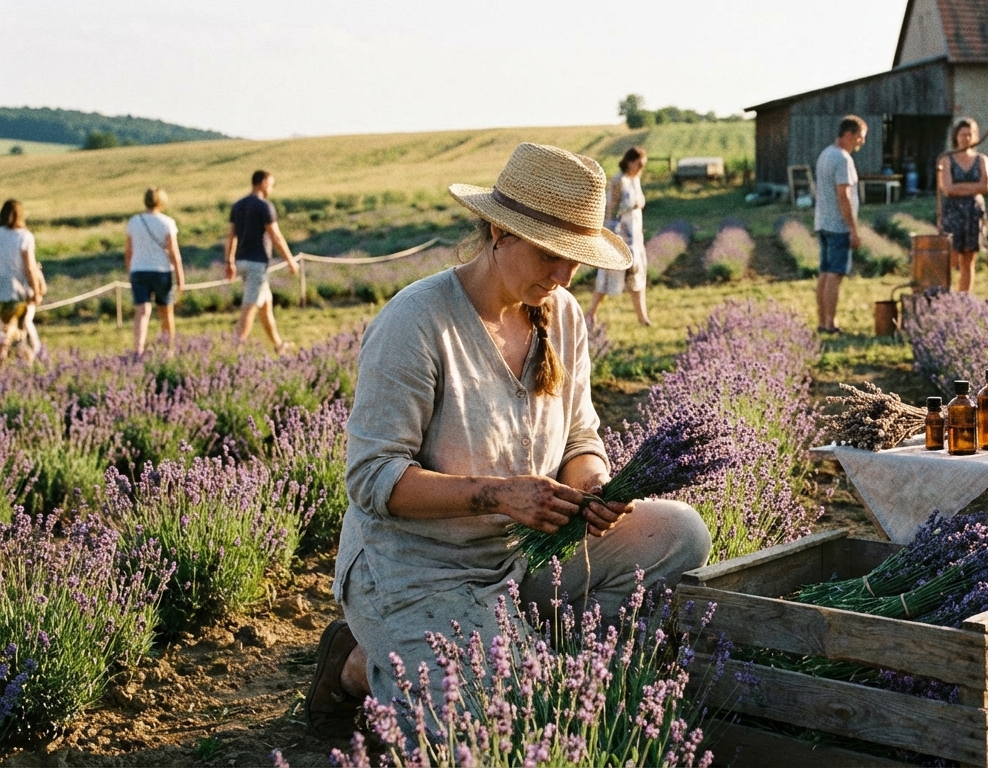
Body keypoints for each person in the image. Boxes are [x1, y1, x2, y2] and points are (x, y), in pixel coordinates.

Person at [304, 143, 711, 734]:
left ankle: (509, 646)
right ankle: (359, 666)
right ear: (500, 230)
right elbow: (373, 478)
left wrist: (593, 484)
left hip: (522, 559)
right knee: (503, 719)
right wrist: (497, 494)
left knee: (681, 535)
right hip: (419, 567)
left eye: (577, 259)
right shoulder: (417, 322)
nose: (565, 275)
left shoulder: (562, 313)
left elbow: (578, 434)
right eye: (551, 256)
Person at [225, 170, 299, 351]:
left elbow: (231, 236)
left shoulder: (238, 206)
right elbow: (276, 236)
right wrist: (290, 260)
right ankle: (235, 351)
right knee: (249, 309)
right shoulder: (264, 206)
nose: (271, 188)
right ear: (263, 182)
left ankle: (278, 345)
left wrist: (229, 261)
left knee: (265, 307)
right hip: (257, 265)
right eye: (271, 184)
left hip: (242, 262)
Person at [585, 146, 651, 327]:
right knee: (609, 274)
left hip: (636, 235)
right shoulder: (618, 181)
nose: (640, 168)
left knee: (638, 275)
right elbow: (610, 209)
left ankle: (642, 318)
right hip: (620, 234)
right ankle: (591, 313)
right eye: (638, 164)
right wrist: (608, 235)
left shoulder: (635, 180)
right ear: (629, 162)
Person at [814, 115, 867, 334]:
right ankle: (830, 323)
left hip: (823, 222)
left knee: (825, 274)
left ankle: (822, 321)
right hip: (837, 226)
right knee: (835, 276)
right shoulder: (842, 159)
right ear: (848, 134)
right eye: (860, 137)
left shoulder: (826, 154)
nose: (861, 142)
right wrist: (853, 229)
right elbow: (843, 195)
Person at [125, 188, 187, 355]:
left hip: (138, 270)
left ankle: (138, 349)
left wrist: (130, 271)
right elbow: (174, 253)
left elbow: (128, 252)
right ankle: (169, 349)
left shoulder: (134, 222)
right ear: (161, 201)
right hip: (161, 271)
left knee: (142, 311)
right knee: (166, 312)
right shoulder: (167, 223)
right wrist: (180, 277)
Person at [937, 118, 988, 294]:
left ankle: (963, 299)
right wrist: (972, 188)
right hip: (953, 212)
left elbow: (987, 186)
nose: (966, 138)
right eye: (963, 135)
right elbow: (947, 189)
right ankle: (944, 296)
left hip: (974, 212)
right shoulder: (946, 159)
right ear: (956, 137)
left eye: (970, 135)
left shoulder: (981, 159)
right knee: (950, 257)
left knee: (969, 259)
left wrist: (960, 187)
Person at [0, 200, 44, 363]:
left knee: (5, 330)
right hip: (16, 291)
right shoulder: (24, 237)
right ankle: (33, 358)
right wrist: (37, 292)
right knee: (19, 326)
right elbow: (30, 267)